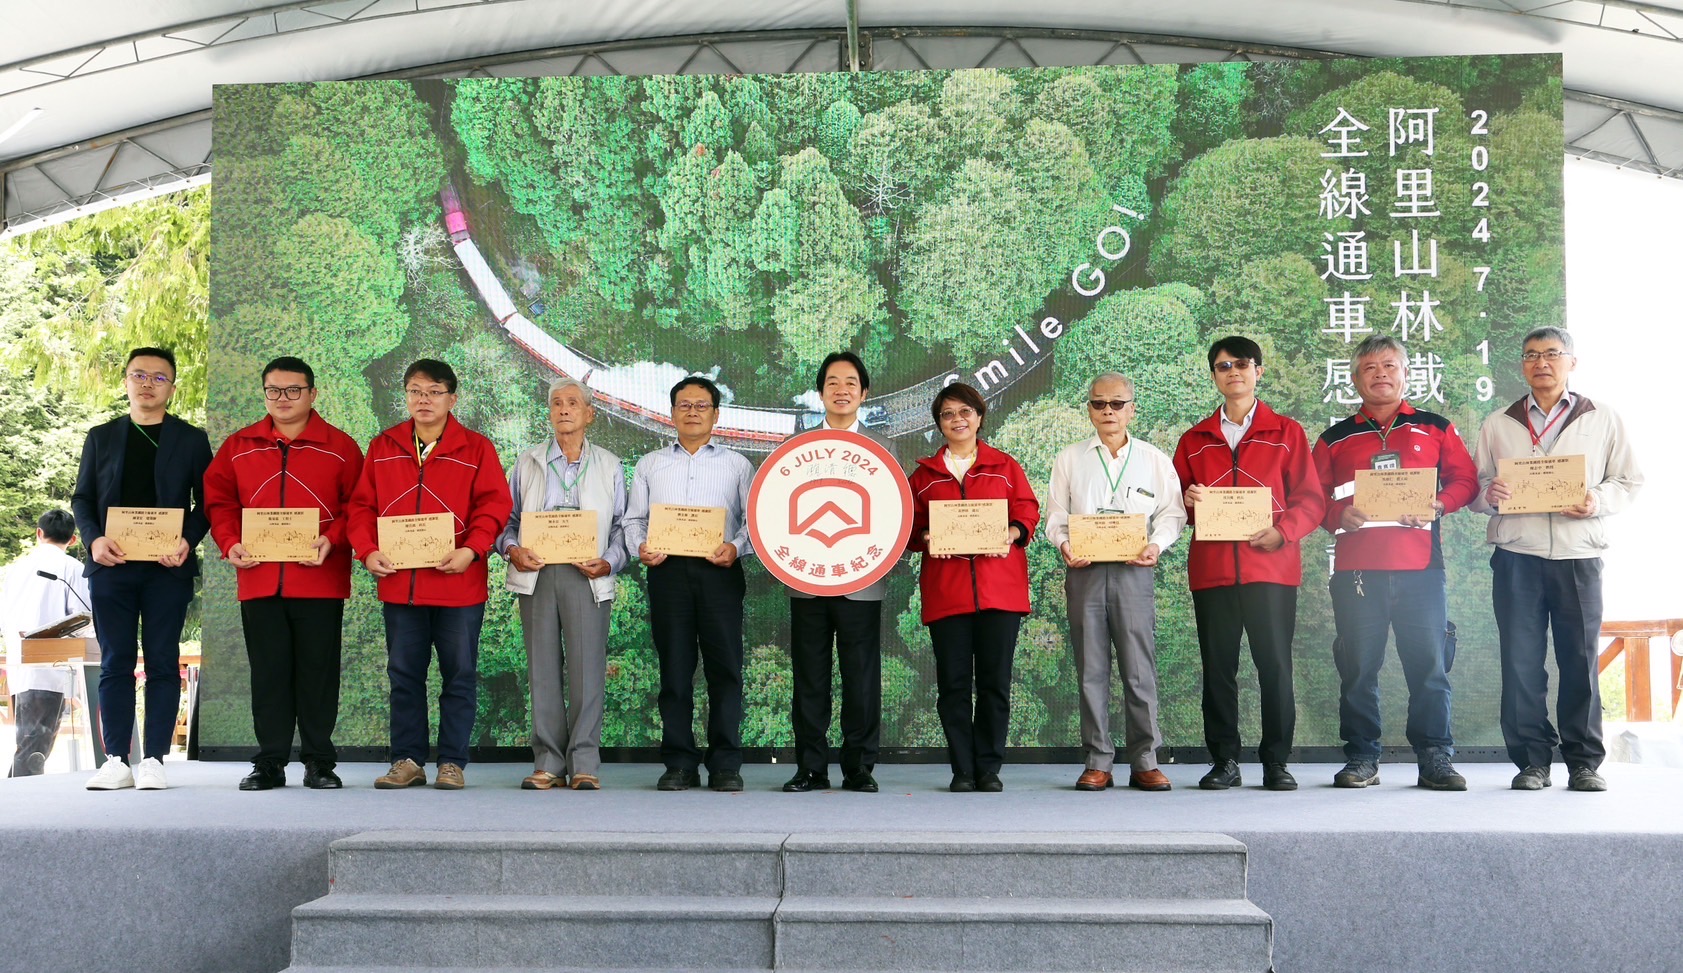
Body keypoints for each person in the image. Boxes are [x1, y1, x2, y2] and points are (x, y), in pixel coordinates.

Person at [1471, 327, 1642, 792]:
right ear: (1521, 365)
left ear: (1572, 362)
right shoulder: (1498, 422)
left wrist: (1596, 499)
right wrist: (1491, 494)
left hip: (1578, 555)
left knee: (1579, 659)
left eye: (1552, 354)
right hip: (1516, 557)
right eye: (1531, 355)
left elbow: (1628, 481)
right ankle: (1532, 762)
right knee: (1521, 661)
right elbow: (1478, 489)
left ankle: (1584, 762)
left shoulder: (1602, 418)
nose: (1541, 363)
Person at [1312, 336, 1479, 791]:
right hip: (1357, 572)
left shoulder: (1435, 427)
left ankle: (1435, 759)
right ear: (1354, 378)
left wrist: (1439, 504)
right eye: (1369, 367)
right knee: (1358, 668)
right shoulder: (1334, 438)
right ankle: (1362, 757)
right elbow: (1311, 498)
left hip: (1421, 569)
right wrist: (1335, 515)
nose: (1380, 374)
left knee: (1429, 667)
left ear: (1407, 373)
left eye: (1389, 365)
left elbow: (1466, 480)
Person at [347, 359, 512, 790]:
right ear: (406, 397)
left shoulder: (477, 448)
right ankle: (407, 759)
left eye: (434, 391)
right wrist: (367, 551)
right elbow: (361, 507)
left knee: (459, 675)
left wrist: (472, 550)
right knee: (404, 676)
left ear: (451, 399)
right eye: (416, 391)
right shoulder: (382, 446)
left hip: (458, 584)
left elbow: (494, 507)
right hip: (401, 587)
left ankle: (452, 762)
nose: (424, 399)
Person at [203, 356, 364, 791]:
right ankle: (269, 762)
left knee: (318, 673)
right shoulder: (240, 446)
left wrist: (332, 538)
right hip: (258, 578)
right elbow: (219, 501)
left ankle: (319, 762)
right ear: (265, 393)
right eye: (273, 390)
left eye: (294, 390)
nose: (283, 398)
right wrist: (228, 541)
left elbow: (359, 506)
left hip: (319, 577)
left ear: (313, 393)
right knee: (268, 673)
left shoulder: (341, 446)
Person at [1172, 336, 1323, 792]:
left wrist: (1284, 531)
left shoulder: (1287, 432)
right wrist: (1186, 498)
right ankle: (1224, 761)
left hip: (1271, 569)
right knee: (1218, 669)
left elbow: (1311, 499)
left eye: (1241, 364)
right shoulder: (1194, 440)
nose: (1232, 372)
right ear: (1214, 376)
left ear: (1258, 370)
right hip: (1213, 571)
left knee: (1274, 667)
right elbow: (1173, 503)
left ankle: (1276, 762)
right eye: (1222, 366)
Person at [73, 347, 213, 791]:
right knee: (115, 661)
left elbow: (207, 505)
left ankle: (153, 758)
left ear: (172, 387)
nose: (147, 384)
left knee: (163, 662)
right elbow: (81, 498)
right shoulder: (101, 436)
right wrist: (94, 538)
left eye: (158, 377)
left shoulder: (190, 439)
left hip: (166, 569)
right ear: (126, 381)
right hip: (111, 567)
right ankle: (116, 757)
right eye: (139, 375)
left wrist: (187, 541)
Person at [1046, 373, 1186, 793]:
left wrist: (1157, 546)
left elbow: (1173, 514)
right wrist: (1065, 544)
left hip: (1134, 571)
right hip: (1085, 571)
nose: (1109, 411)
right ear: (1088, 410)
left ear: (1132, 409)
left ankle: (1145, 759)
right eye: (1099, 404)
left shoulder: (1154, 459)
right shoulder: (1069, 459)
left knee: (1138, 669)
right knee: (1091, 668)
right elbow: (1055, 517)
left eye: (1117, 403)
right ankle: (1098, 759)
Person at [623, 376, 754, 792]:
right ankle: (679, 762)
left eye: (701, 405)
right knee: (675, 670)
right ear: (672, 412)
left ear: (716, 414)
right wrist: (640, 547)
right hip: (668, 573)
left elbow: (754, 522)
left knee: (725, 671)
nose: (692, 412)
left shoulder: (737, 465)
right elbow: (632, 520)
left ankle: (725, 765)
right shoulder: (650, 464)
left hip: (720, 573)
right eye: (684, 404)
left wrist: (735, 547)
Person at [907, 382, 1038, 793]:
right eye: (948, 414)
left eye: (965, 412)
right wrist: (926, 537)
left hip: (1001, 591)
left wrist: (1015, 532)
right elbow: (909, 525)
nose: (958, 420)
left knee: (996, 683)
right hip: (948, 593)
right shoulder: (924, 476)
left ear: (980, 417)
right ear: (939, 424)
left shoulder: (1005, 466)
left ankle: (989, 768)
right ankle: (962, 769)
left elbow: (1027, 508)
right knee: (954, 685)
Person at [498, 377, 626, 791]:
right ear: (549, 413)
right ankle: (548, 761)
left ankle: (585, 761)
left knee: (588, 669)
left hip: (587, 575)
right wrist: (513, 549)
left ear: (590, 414)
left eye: (573, 403)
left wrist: (609, 562)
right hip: (537, 573)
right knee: (543, 670)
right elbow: (506, 522)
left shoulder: (609, 463)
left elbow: (625, 526)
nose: (564, 409)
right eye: (556, 403)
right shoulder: (527, 461)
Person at [781, 351, 898, 795]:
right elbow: (777, 511)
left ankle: (859, 767)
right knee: (809, 678)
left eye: (851, 382)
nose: (842, 389)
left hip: (861, 581)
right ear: (820, 392)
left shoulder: (882, 448)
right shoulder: (796, 449)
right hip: (807, 580)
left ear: (864, 393)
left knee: (861, 679)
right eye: (833, 382)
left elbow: (892, 515)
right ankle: (810, 767)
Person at [1, 510, 92, 776]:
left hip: (19, 663)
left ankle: (19, 798)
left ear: (39, 533)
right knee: (34, 746)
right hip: (51, 667)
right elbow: (83, 617)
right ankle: (17, 800)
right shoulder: (73, 568)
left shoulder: (16, 568)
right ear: (73, 539)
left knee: (29, 741)